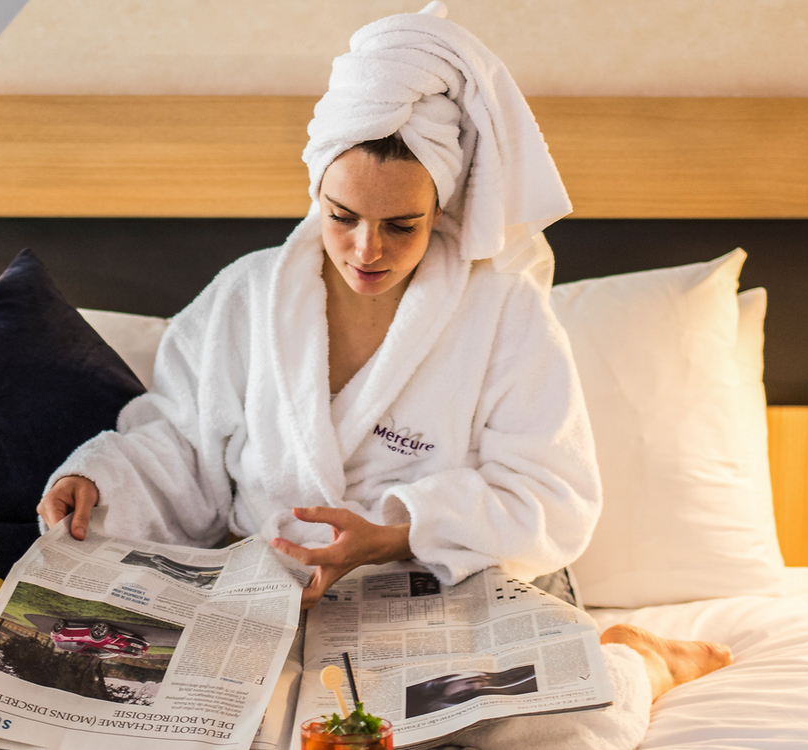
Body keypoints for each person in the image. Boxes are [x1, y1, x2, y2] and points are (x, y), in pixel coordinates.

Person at [39, 3, 730, 747]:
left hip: (438, 592)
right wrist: (106, 481)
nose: (367, 250)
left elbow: (551, 495)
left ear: (441, 207)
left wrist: (397, 533)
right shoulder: (247, 296)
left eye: (402, 225)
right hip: (272, 593)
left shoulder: (503, 311)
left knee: (566, 728)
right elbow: (184, 440)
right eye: (342, 216)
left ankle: (639, 658)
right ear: (316, 191)